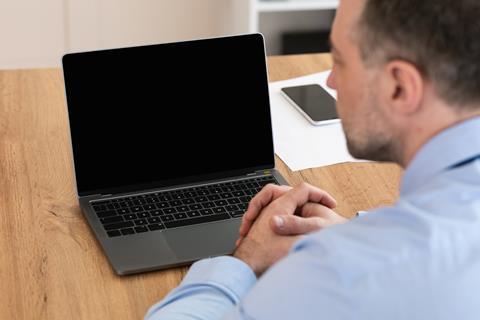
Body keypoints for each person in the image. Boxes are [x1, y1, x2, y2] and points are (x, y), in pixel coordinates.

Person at [145, 0, 480, 318]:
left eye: (339, 61)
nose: (331, 81)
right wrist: (356, 231)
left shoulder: (337, 277)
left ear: (400, 87)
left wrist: (246, 259)